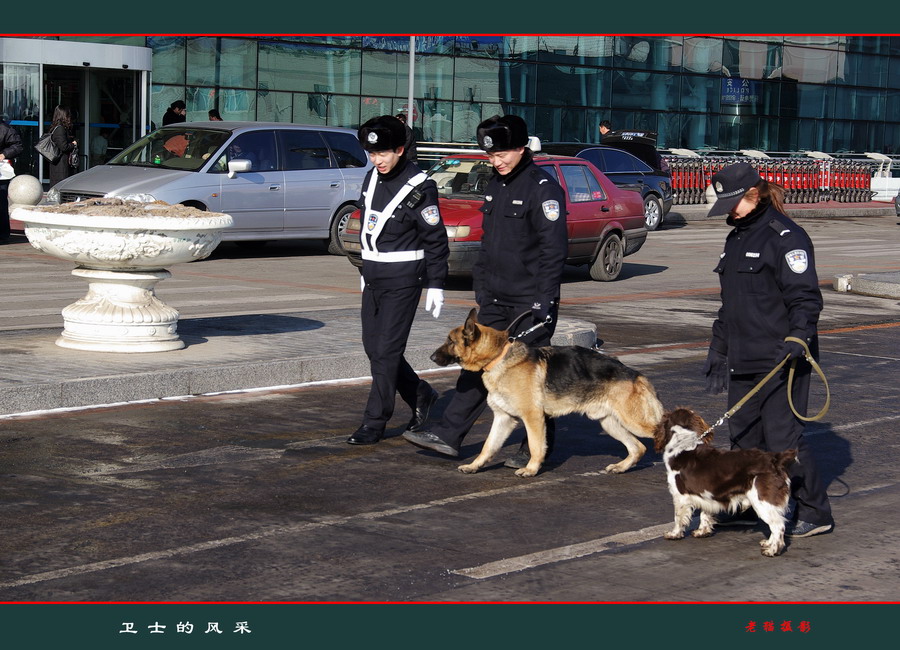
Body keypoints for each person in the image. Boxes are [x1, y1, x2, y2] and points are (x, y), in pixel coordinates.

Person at [403, 114, 568, 467]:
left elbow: (553, 250)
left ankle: (535, 446)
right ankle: (449, 434)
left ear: (522, 148)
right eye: (491, 155)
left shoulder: (543, 188)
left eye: (503, 153)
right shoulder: (495, 184)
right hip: (494, 296)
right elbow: (491, 241)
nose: (497, 160)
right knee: (474, 365)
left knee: (530, 377)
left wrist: (545, 300)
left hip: (529, 301)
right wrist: (481, 281)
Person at [703, 161, 834, 538]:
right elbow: (731, 304)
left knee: (782, 442)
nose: (730, 210)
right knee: (743, 440)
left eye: (735, 202)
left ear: (754, 194)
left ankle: (815, 510)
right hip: (743, 357)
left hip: (782, 357)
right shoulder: (737, 237)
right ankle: (748, 504)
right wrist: (719, 348)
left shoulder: (786, 237)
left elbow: (805, 298)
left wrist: (798, 337)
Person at [346, 114, 450, 446]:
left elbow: (435, 239)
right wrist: (365, 270)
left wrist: (436, 283)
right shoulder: (371, 178)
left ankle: (374, 421)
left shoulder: (421, 187)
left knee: (387, 351)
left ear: (400, 150)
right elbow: (369, 226)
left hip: (404, 279)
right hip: (373, 275)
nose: (377, 160)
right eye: (372, 154)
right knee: (373, 349)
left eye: (384, 153)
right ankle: (421, 394)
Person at [0, 118, 24, 243]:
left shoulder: (5, 129)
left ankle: (3, 234)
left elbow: (18, 146)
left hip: (1, 173)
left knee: (1, 203)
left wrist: (3, 154)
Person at [48, 105, 77, 188]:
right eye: (68, 114)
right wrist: (73, 144)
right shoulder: (60, 129)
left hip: (60, 164)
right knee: (61, 186)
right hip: (60, 165)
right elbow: (63, 147)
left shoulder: (59, 128)